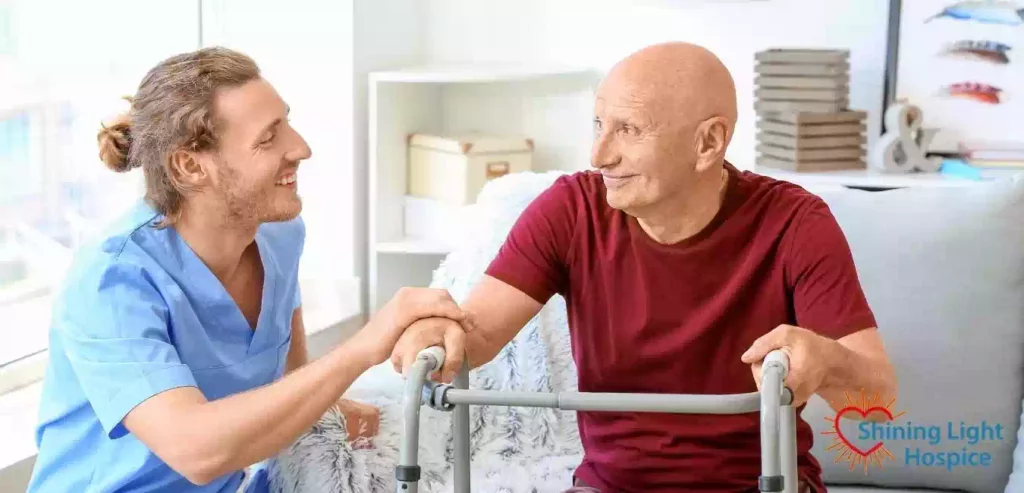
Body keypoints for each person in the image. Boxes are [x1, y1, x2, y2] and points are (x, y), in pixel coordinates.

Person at [391, 42, 898, 493]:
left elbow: (879, 394)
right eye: (598, 125)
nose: (599, 154)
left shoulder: (795, 222)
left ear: (708, 143)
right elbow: (475, 337)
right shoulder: (570, 208)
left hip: (757, 483)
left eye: (628, 130)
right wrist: (439, 332)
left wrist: (824, 359)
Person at [26, 47, 467, 493]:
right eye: (268, 138)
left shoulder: (279, 234)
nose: (301, 148)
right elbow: (196, 451)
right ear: (191, 165)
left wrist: (333, 409)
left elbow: (293, 380)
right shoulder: (112, 281)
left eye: (287, 123)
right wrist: (364, 346)